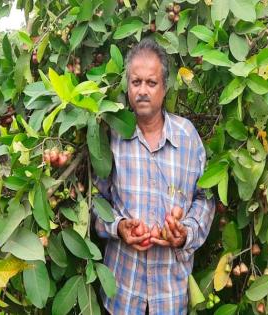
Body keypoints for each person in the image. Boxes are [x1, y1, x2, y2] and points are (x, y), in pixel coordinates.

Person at [94, 38, 215, 315]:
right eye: (136, 82)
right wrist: (119, 227)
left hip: (170, 295)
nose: (143, 91)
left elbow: (204, 198)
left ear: (164, 88)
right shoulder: (110, 137)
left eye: (151, 83)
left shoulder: (187, 138)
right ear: (127, 87)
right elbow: (95, 200)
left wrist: (186, 233)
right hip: (122, 292)